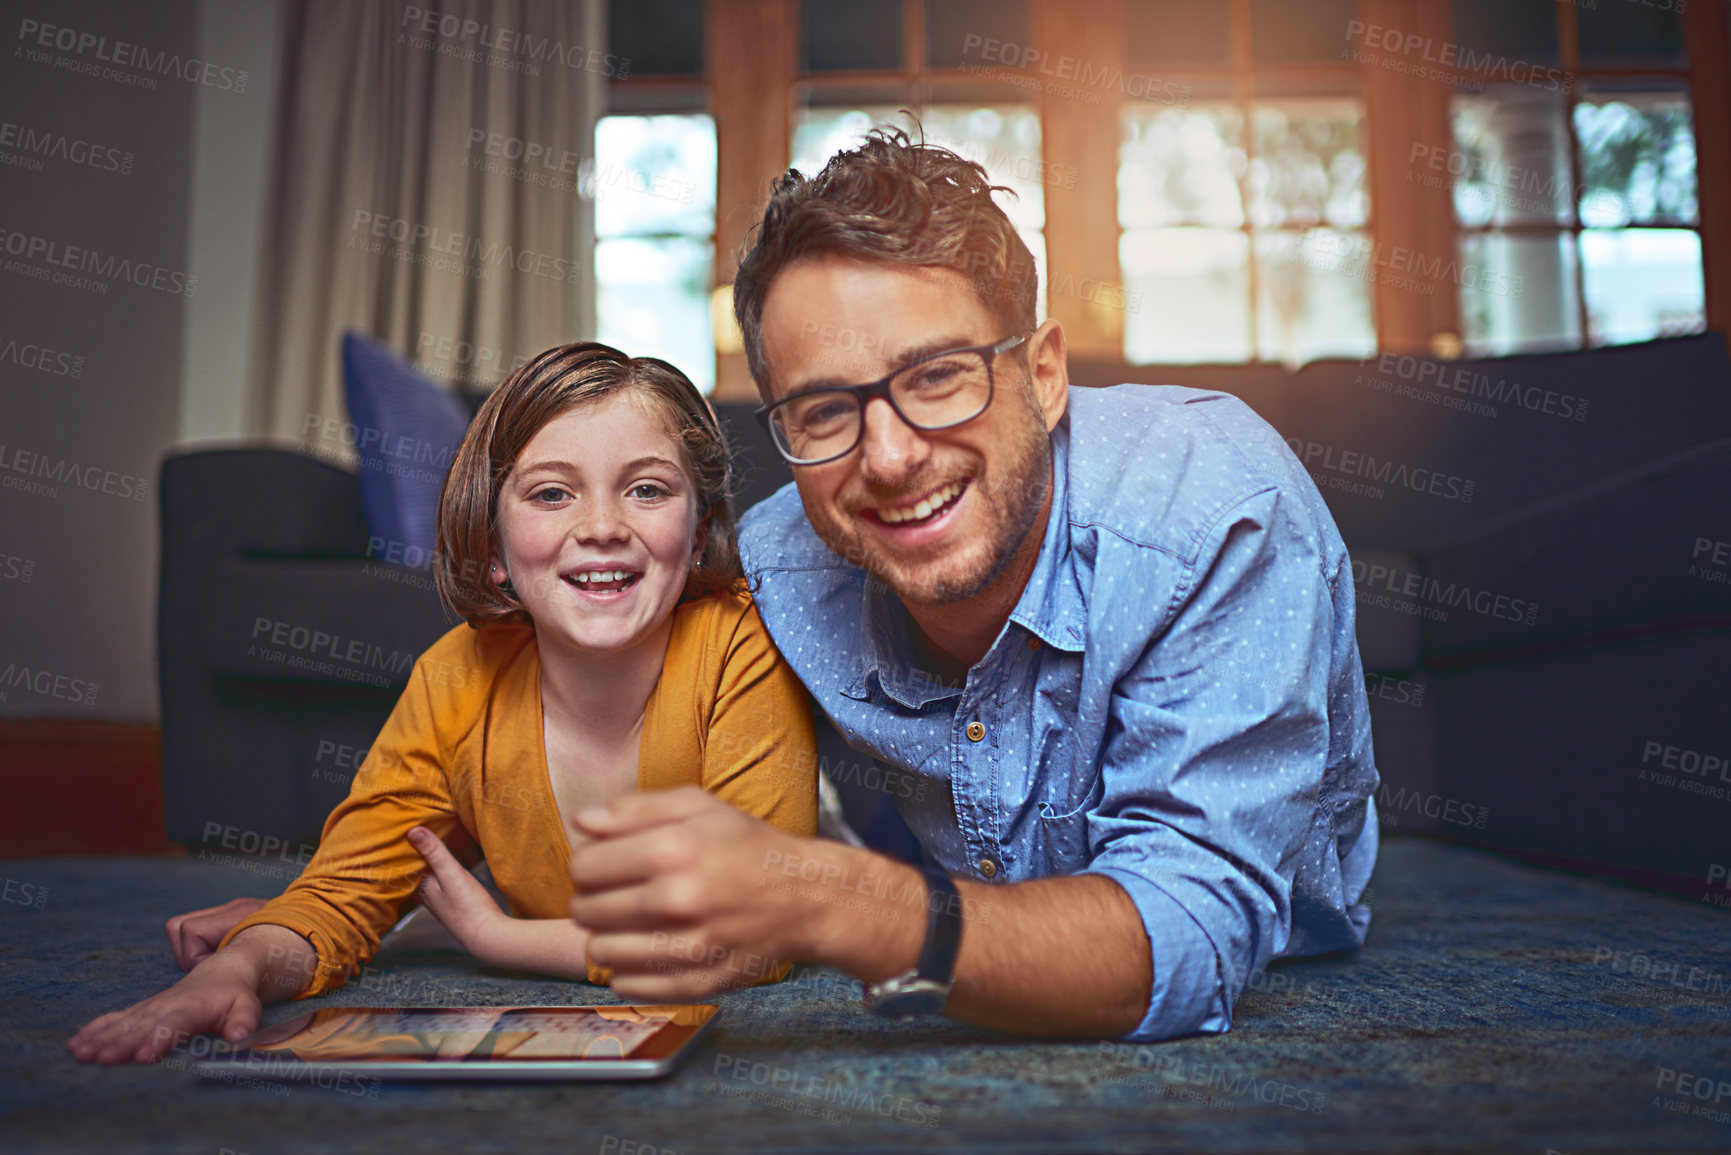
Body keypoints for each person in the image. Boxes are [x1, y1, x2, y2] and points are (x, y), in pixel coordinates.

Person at [561, 127, 1380, 1042]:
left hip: (1279, 967)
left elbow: (1189, 938)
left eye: (939, 375)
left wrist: (831, 899)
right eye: (826, 408)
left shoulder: (1215, 509)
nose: (891, 456)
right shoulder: (776, 567)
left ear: (1043, 373)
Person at [68, 342, 817, 1065]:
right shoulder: (457, 676)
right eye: (551, 493)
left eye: (647, 489)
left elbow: (751, 934)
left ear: (698, 535)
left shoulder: (740, 641)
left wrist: (502, 939)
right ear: (492, 548)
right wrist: (241, 965)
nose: (600, 527)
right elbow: (339, 895)